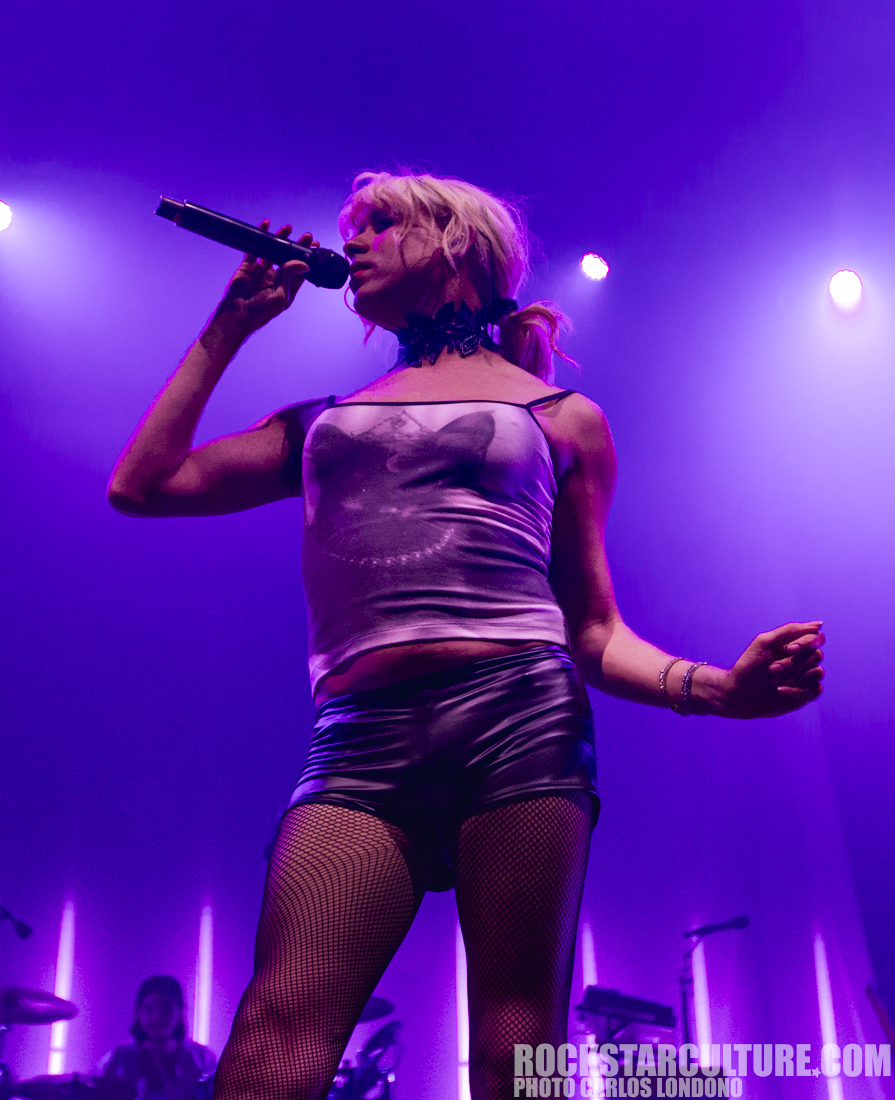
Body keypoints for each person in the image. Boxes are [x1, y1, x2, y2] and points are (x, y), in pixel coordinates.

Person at [108, 171, 824, 1100]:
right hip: (361, 737)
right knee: (278, 1023)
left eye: (379, 224)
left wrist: (716, 688)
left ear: (451, 248)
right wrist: (227, 330)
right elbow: (142, 485)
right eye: (349, 230)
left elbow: (595, 631)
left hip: (518, 719)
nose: (354, 242)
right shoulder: (322, 423)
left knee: (515, 1044)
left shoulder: (560, 418)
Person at [99, 976, 216, 1100]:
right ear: (138, 1012)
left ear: (180, 1012)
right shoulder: (119, 1058)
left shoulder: (202, 1058)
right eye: (149, 1009)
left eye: (166, 1009)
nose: (156, 1017)